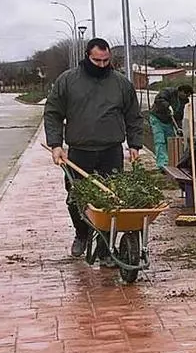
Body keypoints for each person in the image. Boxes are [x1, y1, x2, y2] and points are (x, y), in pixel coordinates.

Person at [44, 38, 143, 265]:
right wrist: (56, 144)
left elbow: (133, 116)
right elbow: (53, 113)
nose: (101, 65)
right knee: (75, 197)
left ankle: (105, 249)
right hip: (80, 151)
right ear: (87, 56)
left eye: (106, 60)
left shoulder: (120, 83)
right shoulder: (68, 81)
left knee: (111, 200)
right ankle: (82, 234)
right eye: (97, 60)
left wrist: (135, 144)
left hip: (111, 151)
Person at [149, 84, 192, 171]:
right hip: (157, 119)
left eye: (188, 96)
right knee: (160, 141)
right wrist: (168, 106)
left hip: (168, 121)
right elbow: (159, 100)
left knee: (171, 141)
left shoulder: (183, 101)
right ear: (181, 91)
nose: (187, 97)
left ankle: (171, 162)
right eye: (186, 94)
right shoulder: (168, 91)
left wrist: (179, 128)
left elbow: (179, 116)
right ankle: (162, 164)